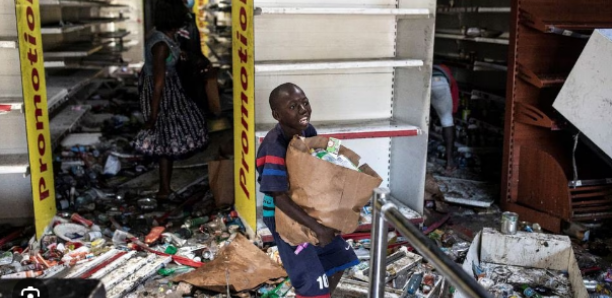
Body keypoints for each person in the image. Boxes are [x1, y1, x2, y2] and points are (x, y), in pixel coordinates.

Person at [256, 83, 359, 298]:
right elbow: (278, 197)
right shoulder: (275, 145)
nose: (303, 109)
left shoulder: (307, 131)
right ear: (277, 114)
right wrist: (319, 228)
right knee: (311, 279)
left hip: (306, 208)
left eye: (305, 102)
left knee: (340, 259)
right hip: (283, 217)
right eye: (293, 106)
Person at [133, 0, 209, 200]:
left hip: (168, 91)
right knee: (169, 136)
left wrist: (183, 55)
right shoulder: (160, 46)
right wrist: (153, 115)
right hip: (165, 95)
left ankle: (164, 188)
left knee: (166, 141)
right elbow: (158, 84)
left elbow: (171, 55)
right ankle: (164, 189)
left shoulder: (165, 39)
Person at [176, 0, 222, 117]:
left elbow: (194, 46)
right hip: (184, 71)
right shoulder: (180, 23)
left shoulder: (191, 19)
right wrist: (195, 60)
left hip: (193, 69)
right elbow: (179, 49)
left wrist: (204, 61)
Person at [431, 64, 459, 171]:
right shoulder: (451, 79)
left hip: (423, 79)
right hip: (440, 83)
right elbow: (454, 101)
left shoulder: (431, 66)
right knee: (447, 119)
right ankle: (449, 163)